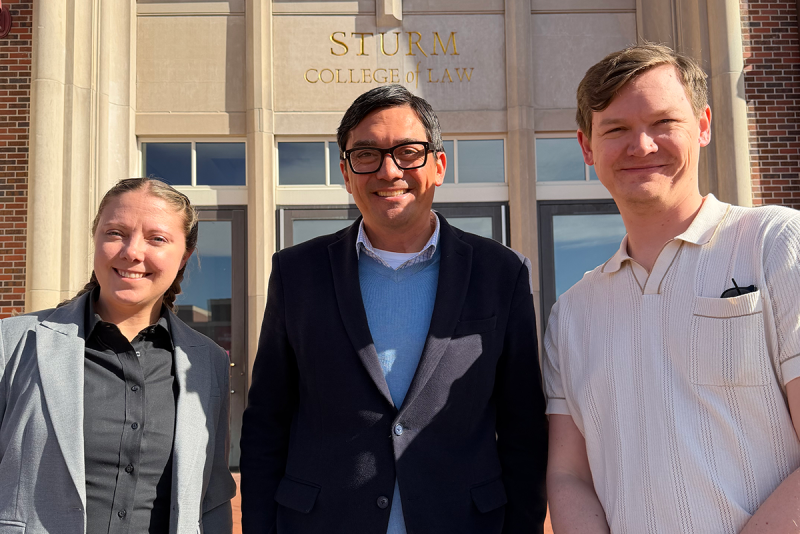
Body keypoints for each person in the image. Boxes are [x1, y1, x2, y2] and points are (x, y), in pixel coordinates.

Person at [240, 84, 547, 533]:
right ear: (346, 173)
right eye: (366, 154)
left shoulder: (502, 273)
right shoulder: (296, 272)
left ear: (438, 166)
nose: (389, 171)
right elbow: (267, 420)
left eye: (408, 152)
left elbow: (524, 428)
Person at [544, 43, 800, 533]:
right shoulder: (572, 313)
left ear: (703, 125)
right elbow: (569, 475)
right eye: (615, 129)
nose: (641, 146)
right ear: (586, 148)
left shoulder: (776, 244)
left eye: (663, 122)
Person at [0, 177, 236, 533]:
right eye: (116, 233)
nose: (132, 252)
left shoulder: (208, 362)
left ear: (184, 255)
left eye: (157, 238)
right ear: (95, 237)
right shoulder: (12, 343)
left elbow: (212, 496)